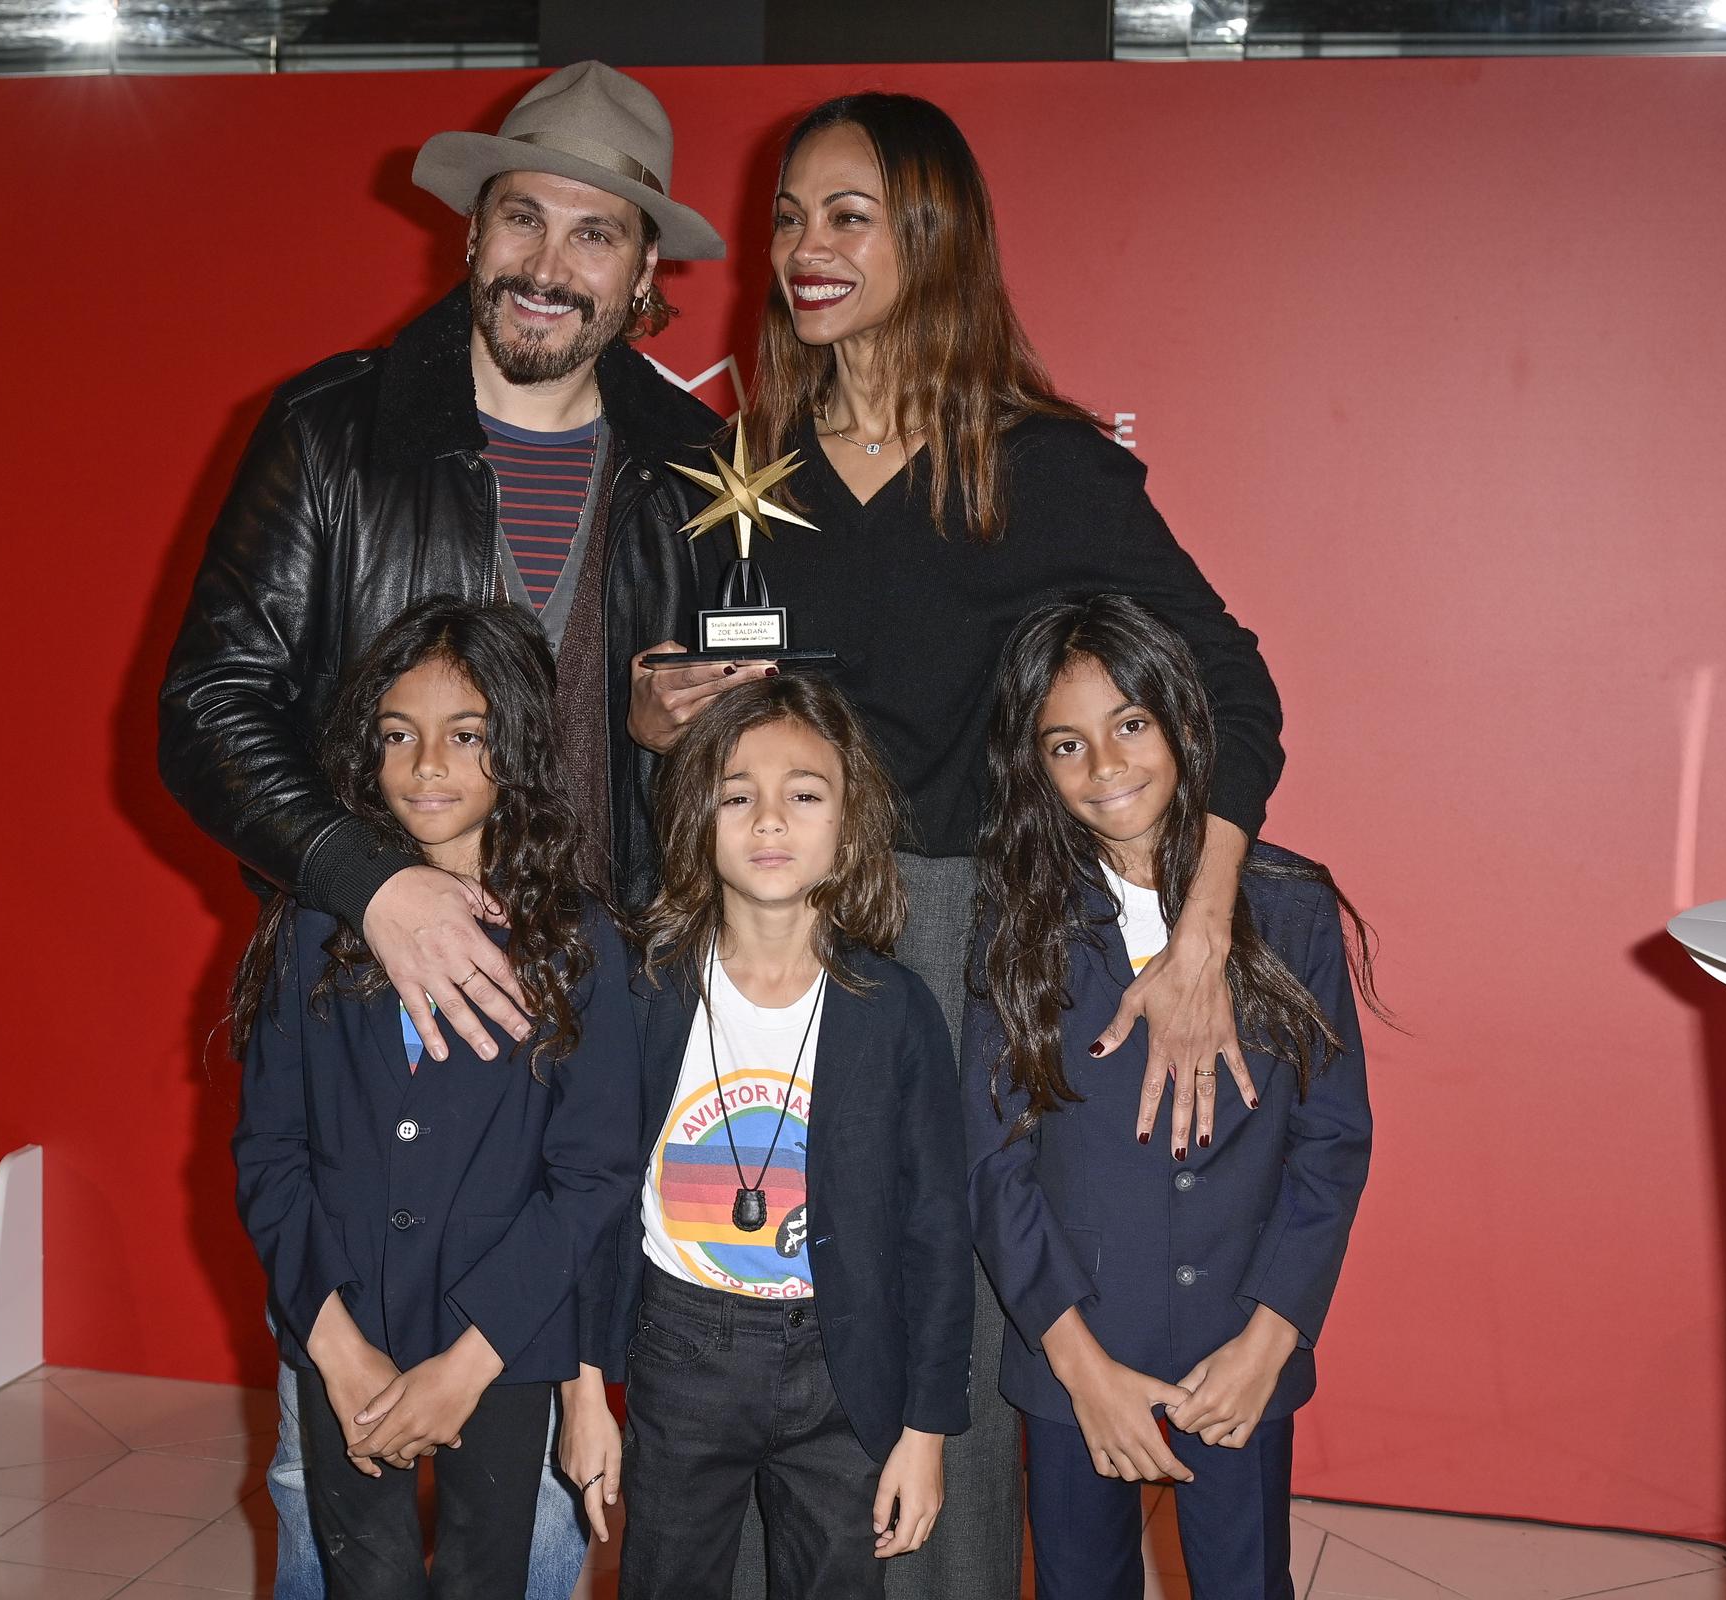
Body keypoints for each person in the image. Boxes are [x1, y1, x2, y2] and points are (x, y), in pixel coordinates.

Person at [627, 91, 1290, 1600]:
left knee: (951, 1315)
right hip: (765, 945)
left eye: (847, 215)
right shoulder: (750, 466)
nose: (804, 247)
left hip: (959, 947)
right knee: (750, 1290)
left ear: (931, 236)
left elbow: (1232, 689)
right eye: (790, 215)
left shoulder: (1042, 466)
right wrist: (657, 716)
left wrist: (1197, 934)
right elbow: (708, 712)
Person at [158, 61, 727, 1598]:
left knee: (534, 1484)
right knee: (329, 1464)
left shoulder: (694, 476)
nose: (551, 262)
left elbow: (715, 755)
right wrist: (373, 885)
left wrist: (674, 742)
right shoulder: (334, 432)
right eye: (522, 217)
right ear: (472, 232)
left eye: (595, 235)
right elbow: (207, 708)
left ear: (643, 273)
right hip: (362, 1011)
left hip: (576, 1041)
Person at [964, 596, 1377, 1600]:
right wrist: (1074, 1360)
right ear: (1035, 766)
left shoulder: (1288, 905)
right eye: (1067, 743)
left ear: (1185, 722)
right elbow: (992, 1159)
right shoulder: (1016, 923)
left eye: (1130, 724)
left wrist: (1271, 1337)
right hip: (1078, 1365)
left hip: (1240, 1350)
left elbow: (1331, 1140)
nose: (1105, 764)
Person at [230, 598, 643, 1600]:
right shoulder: (311, 929)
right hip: (345, 1324)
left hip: (500, 1338)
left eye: (466, 737)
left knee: (485, 1577)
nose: (426, 767)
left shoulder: (581, 945)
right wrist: (333, 1345)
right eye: (398, 737)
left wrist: (470, 1363)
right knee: (360, 1576)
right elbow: (270, 1155)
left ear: (519, 746)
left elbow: (592, 1179)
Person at [593, 674, 972, 1600]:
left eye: (804, 794)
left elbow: (936, 1230)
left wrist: (924, 1430)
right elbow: (594, 1199)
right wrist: (582, 1389)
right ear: (694, 817)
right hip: (679, 1354)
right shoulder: (645, 992)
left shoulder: (896, 1012)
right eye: (736, 794)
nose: (769, 820)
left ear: (850, 821)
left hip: (843, 1368)